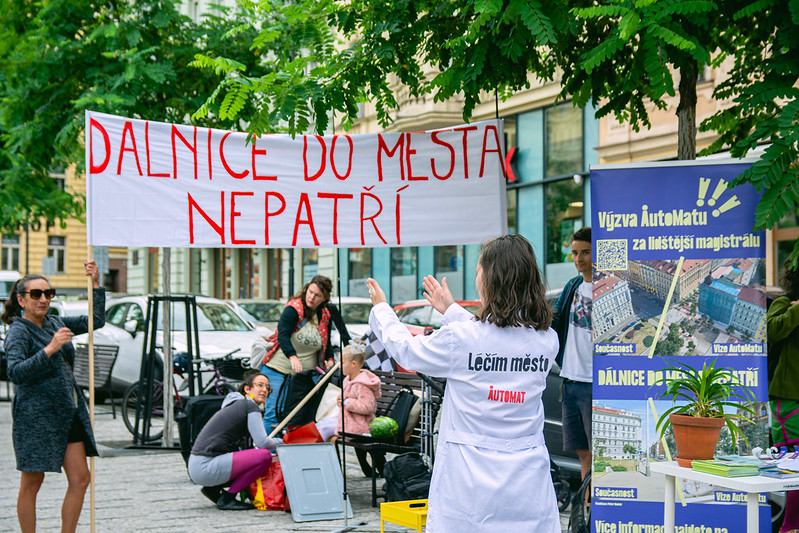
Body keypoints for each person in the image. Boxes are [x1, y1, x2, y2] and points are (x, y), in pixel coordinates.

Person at [366, 234, 561, 532]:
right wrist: (452, 310)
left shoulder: (462, 340)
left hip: (471, 482)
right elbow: (496, 336)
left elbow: (407, 349)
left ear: (491, 280)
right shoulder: (546, 340)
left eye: (479, 271)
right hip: (527, 482)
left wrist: (382, 309)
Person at [2, 261, 104, 533]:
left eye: (49, 293)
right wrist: (51, 348)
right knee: (32, 483)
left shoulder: (55, 321)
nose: (44, 299)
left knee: (81, 479)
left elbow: (95, 321)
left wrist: (95, 284)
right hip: (36, 417)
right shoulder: (18, 331)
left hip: (67, 412)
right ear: (21, 300)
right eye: (36, 294)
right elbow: (15, 372)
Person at [188, 369, 282, 510]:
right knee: (264, 456)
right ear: (247, 388)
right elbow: (263, 443)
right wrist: (283, 441)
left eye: (268, 388)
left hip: (196, 466)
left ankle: (213, 490)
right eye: (260, 385)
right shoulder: (249, 406)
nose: (264, 390)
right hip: (206, 466)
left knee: (254, 457)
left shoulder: (236, 405)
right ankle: (228, 498)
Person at [258, 276, 339, 431]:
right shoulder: (294, 308)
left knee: (301, 415)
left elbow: (326, 340)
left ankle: (292, 447)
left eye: (317, 296)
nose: (312, 298)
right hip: (278, 369)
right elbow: (283, 334)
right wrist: (292, 356)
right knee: (273, 412)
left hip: (304, 375)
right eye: (310, 292)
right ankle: (271, 452)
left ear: (324, 298)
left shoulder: (325, 315)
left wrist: (329, 358)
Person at [552, 226, 593, 484]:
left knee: (600, 453)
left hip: (595, 382)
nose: (579, 259)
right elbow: (553, 319)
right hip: (570, 380)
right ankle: (586, 512)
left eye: (585, 252)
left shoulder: (606, 285)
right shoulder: (573, 285)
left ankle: (597, 512)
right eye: (575, 253)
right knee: (582, 453)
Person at [768, 258, 799, 533]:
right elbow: (770, 331)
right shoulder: (785, 303)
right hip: (790, 401)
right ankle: (790, 527)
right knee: (796, 469)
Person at [316, 340, 381, 441]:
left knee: (325, 429)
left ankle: (321, 453)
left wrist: (346, 401)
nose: (339, 366)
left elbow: (368, 407)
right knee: (320, 424)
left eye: (342, 362)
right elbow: (346, 403)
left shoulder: (362, 384)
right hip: (347, 420)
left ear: (354, 364)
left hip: (359, 425)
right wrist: (341, 401)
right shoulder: (347, 380)